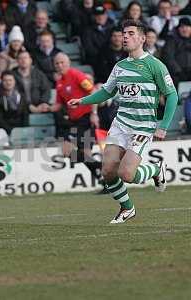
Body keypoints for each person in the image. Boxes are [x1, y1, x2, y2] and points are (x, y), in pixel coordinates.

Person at [68, 20, 178, 223]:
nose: (125, 36)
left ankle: (155, 169)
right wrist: (82, 100)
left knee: (126, 174)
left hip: (143, 127)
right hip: (121, 125)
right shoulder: (120, 66)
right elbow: (107, 92)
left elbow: (172, 96)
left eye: (130, 33)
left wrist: (162, 126)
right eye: (123, 33)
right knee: (108, 171)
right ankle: (127, 208)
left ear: (142, 38)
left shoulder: (155, 65)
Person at [52, 52, 103, 187]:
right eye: (57, 63)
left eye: (62, 62)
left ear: (68, 63)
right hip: (74, 121)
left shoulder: (76, 75)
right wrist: (46, 107)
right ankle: (103, 170)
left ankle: (105, 179)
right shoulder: (59, 83)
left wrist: (94, 113)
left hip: (86, 118)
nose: (59, 65)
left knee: (74, 152)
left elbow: (93, 92)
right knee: (80, 154)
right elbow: (58, 104)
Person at [81, 6, 115, 74]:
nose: (100, 17)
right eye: (97, 15)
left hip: (112, 57)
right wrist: (103, 56)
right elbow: (89, 49)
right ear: (94, 17)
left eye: (102, 14)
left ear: (106, 15)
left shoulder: (113, 27)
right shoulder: (88, 31)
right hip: (97, 61)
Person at [161, 17, 191, 86]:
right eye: (182, 27)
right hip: (176, 75)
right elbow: (168, 57)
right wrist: (178, 71)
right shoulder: (172, 40)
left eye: (187, 27)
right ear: (178, 29)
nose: (185, 29)